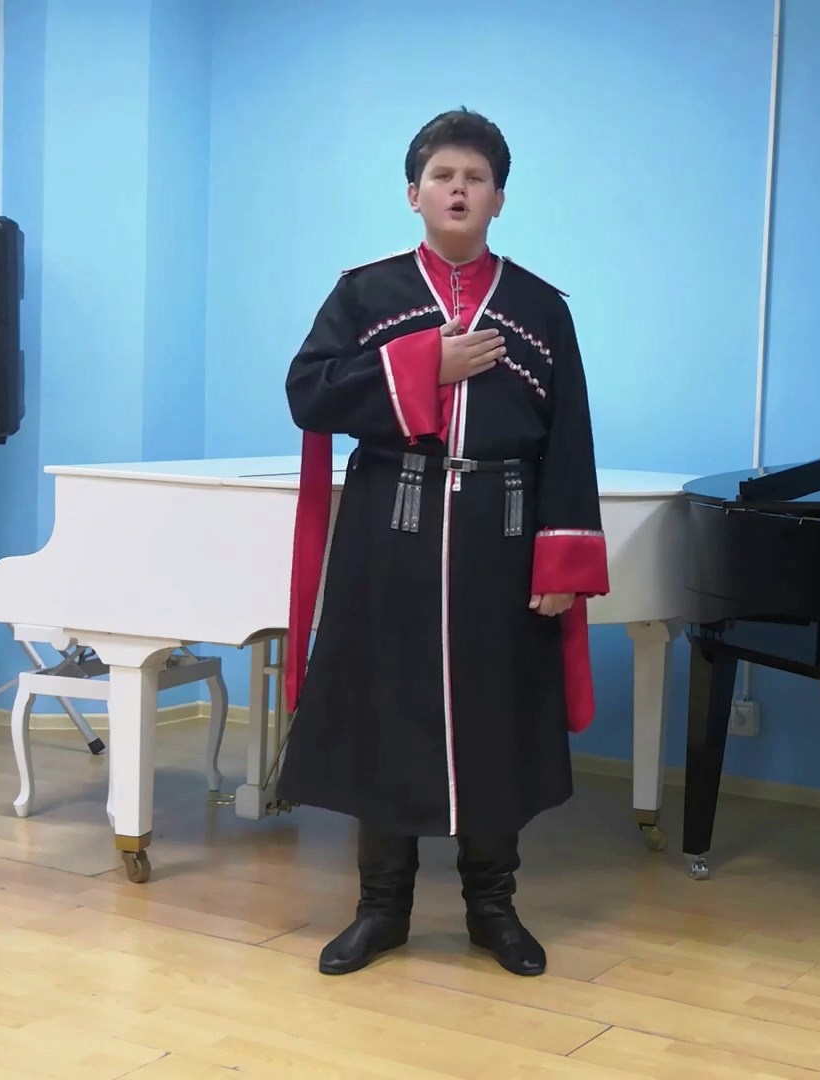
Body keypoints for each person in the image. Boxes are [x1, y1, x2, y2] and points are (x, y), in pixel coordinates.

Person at [274, 109, 609, 978]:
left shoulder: (539, 307)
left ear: (499, 198)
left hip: (504, 534)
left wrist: (564, 561)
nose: (458, 190)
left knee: (497, 716)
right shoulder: (365, 293)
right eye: (442, 176)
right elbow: (308, 393)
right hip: (391, 531)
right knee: (383, 712)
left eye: (476, 178)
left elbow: (570, 440)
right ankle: (381, 908)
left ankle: (492, 907)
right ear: (413, 193)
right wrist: (426, 365)